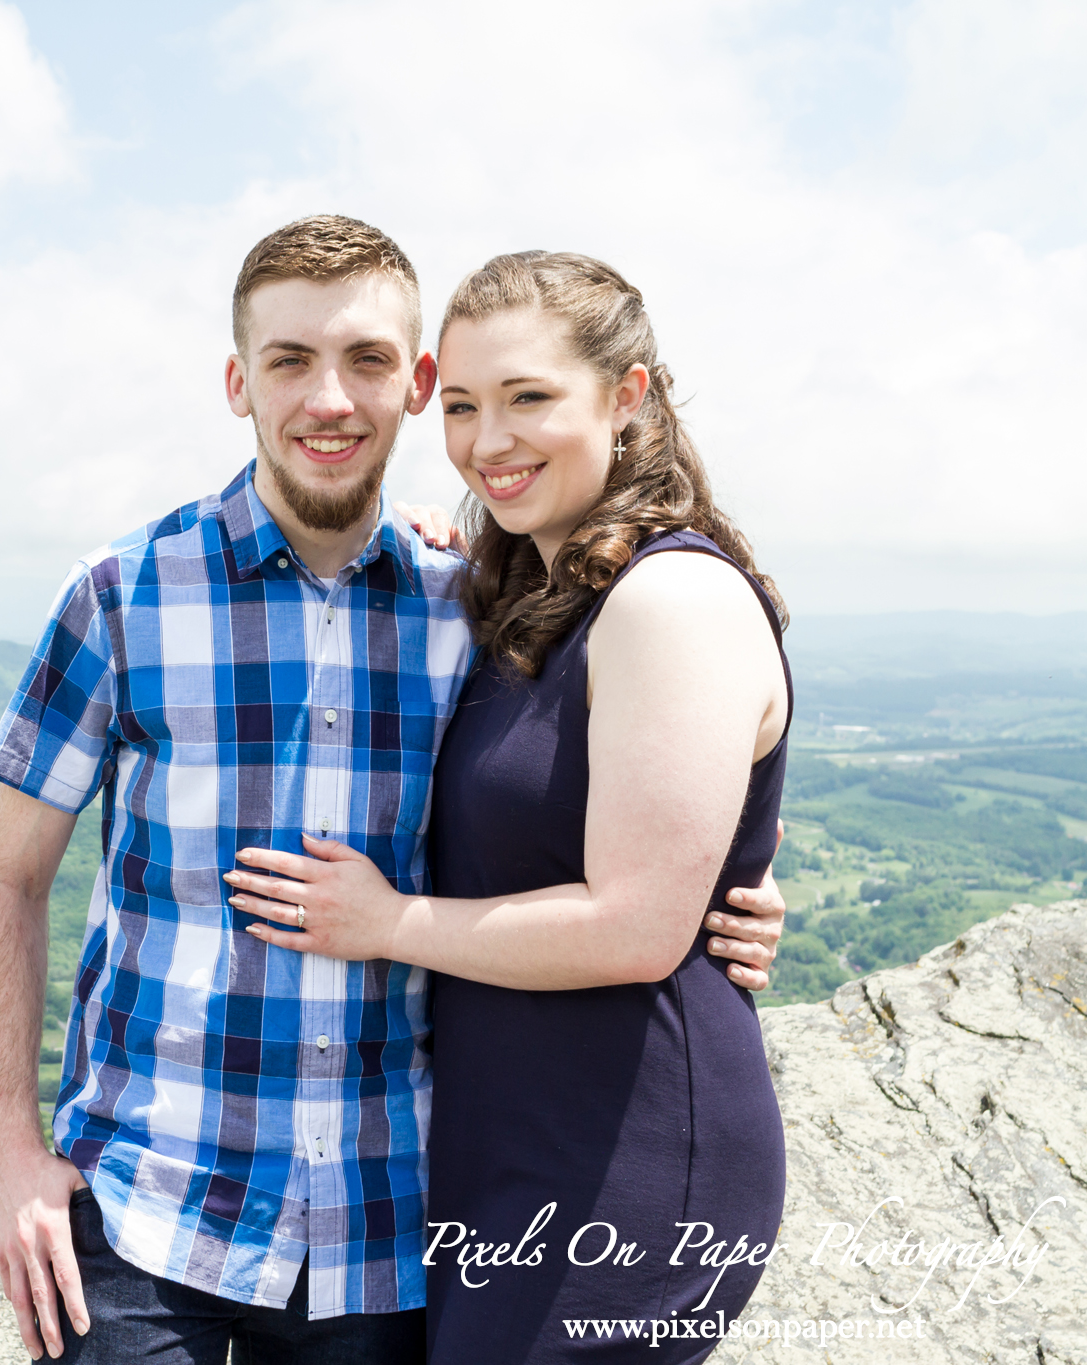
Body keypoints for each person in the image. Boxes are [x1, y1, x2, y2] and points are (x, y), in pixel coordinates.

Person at [0, 219, 787, 1365]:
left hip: (388, 1226)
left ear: (411, 385)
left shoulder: (472, 604)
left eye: (365, 363)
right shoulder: (120, 593)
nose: (327, 400)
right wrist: (7, 1148)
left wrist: (728, 892)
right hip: (153, 1210)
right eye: (290, 361)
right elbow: (5, 880)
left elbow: (626, 787)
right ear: (237, 381)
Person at [230, 250, 791, 1362]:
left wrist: (386, 924)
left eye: (530, 398)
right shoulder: (543, 593)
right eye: (467, 405)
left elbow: (635, 926)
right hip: (514, 1145)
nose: (489, 441)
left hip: (621, 1156)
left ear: (625, 396)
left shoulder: (668, 597)